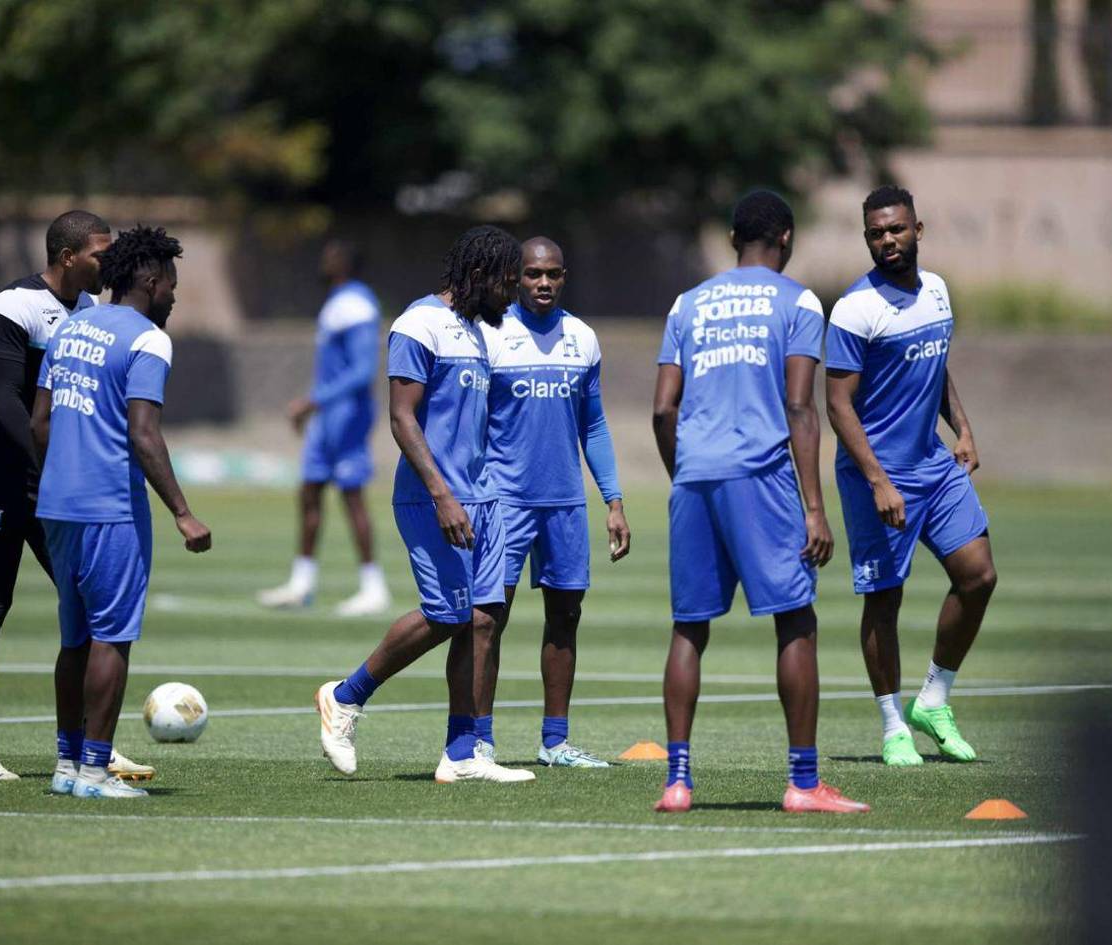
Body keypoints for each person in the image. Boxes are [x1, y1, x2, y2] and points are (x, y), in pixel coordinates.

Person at [651, 190, 869, 814]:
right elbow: (801, 406)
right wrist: (815, 507)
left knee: (689, 627)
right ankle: (803, 783)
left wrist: (684, 471)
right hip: (762, 475)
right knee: (795, 619)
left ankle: (677, 782)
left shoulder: (686, 303)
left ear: (731, 239)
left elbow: (663, 407)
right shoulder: (798, 301)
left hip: (695, 476)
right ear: (787, 239)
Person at [315, 225, 535, 784]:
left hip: (484, 498)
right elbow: (401, 417)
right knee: (447, 614)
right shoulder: (418, 323)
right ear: (479, 276)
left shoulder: (483, 331)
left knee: (483, 621)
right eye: (506, 283)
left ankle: (462, 754)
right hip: (432, 497)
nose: (511, 296)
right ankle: (345, 697)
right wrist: (442, 494)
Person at [0, 210, 151, 784]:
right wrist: (49, 460)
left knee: (92, 616)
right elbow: (2, 400)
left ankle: (94, 745)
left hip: (57, 490)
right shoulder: (14, 305)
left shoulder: (92, 315)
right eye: (99, 252)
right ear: (68, 257)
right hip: (0, 478)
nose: (107, 262)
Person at [32, 224, 211, 799]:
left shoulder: (69, 328)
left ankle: (65, 765)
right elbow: (144, 434)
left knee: (74, 639)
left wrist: (65, 469)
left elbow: (40, 423)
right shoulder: (148, 340)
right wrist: (183, 512)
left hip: (58, 505)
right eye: (173, 287)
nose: (176, 298)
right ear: (151, 280)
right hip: (111, 507)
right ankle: (93, 771)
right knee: (111, 638)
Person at [825, 185, 997, 767]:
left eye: (895, 229)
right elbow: (838, 405)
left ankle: (934, 699)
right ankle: (893, 723)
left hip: (932, 464)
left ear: (917, 230)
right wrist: (877, 479)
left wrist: (963, 429)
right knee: (884, 599)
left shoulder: (938, 292)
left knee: (978, 576)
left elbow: (936, 366)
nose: (887, 240)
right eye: (876, 233)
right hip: (876, 473)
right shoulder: (854, 308)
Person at [474, 236, 629, 767]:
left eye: (554, 275)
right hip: (504, 502)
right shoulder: (491, 334)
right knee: (489, 619)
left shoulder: (583, 338)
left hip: (564, 503)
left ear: (565, 277)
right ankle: (479, 742)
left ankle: (555, 742)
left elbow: (595, 424)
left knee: (566, 615)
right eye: (534, 274)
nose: (544, 283)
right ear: (516, 277)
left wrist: (613, 499)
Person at [258, 240, 390, 616]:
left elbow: (363, 370)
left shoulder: (357, 303)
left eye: (334, 254)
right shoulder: (337, 301)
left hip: (347, 415)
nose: (325, 258)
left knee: (352, 496)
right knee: (310, 491)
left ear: (348, 262)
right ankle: (302, 583)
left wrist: (312, 401)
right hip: (328, 417)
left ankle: (372, 586)